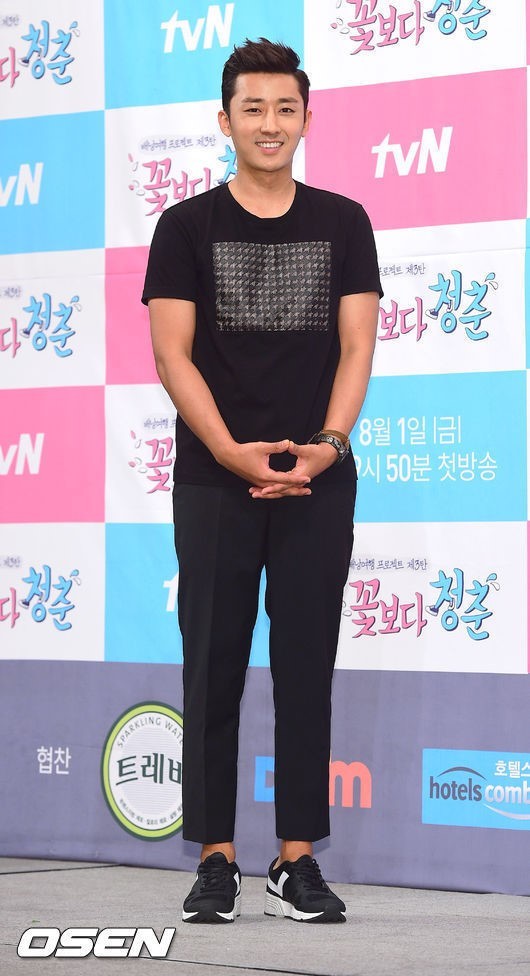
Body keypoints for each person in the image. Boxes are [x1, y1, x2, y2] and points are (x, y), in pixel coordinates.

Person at [142, 37, 382, 925]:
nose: (270, 123)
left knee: (305, 667)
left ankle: (295, 861)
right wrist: (230, 450)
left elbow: (357, 347)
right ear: (225, 120)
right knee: (212, 665)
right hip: (215, 480)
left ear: (307, 119)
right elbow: (172, 356)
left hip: (319, 477)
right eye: (253, 108)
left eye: (286, 108)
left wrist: (326, 445)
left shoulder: (345, 221)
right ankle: (215, 858)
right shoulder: (184, 228)